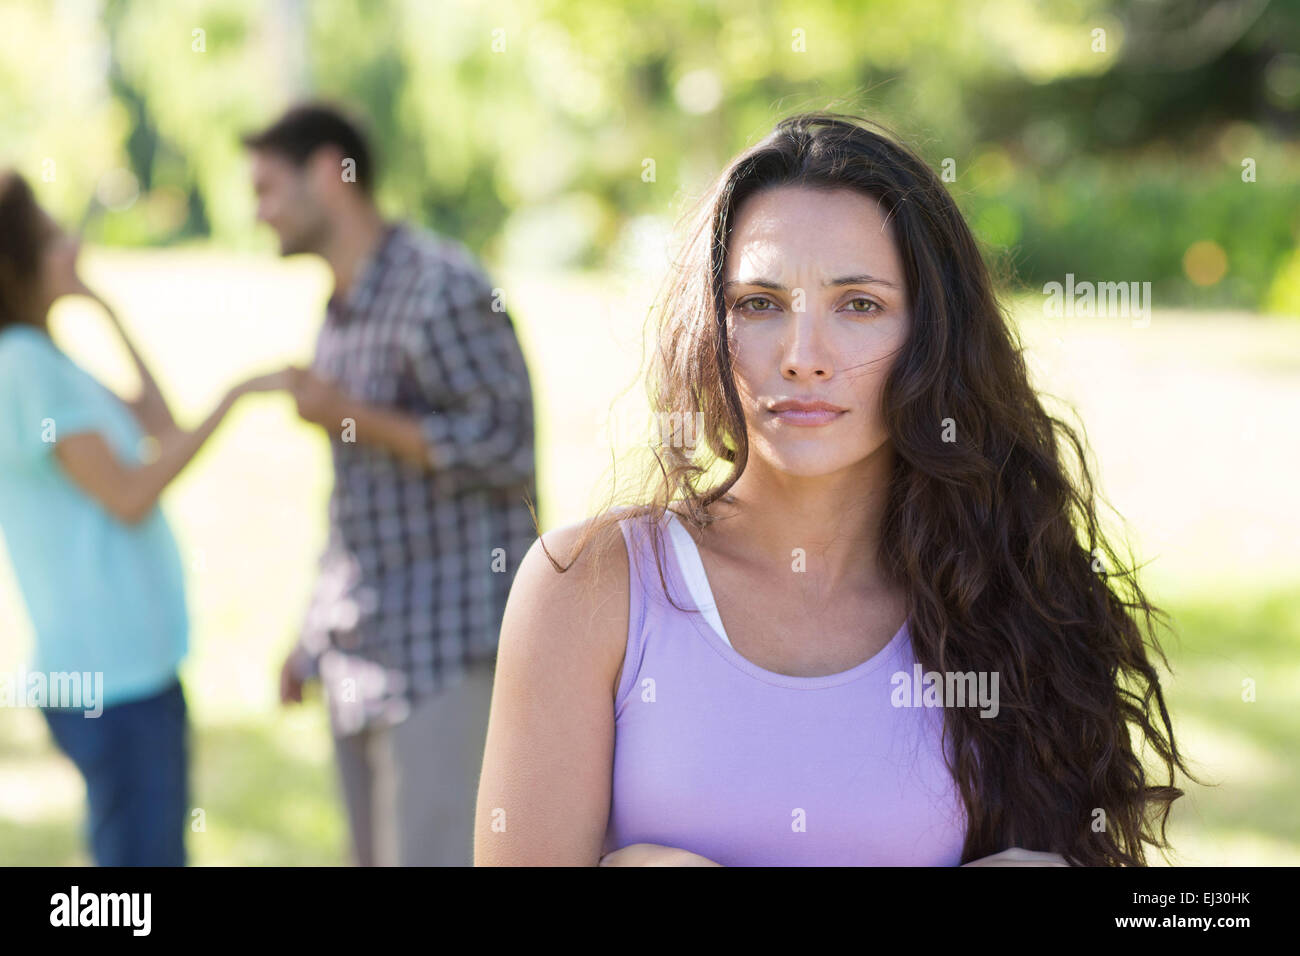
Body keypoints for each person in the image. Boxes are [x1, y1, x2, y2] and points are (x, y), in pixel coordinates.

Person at [474, 113, 1197, 867]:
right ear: (710, 329)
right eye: (760, 304)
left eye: (859, 305)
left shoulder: (1008, 595)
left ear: (931, 336)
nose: (803, 356)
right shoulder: (589, 589)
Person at [241, 103, 539, 867]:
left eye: (268, 189)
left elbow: (507, 447)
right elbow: (356, 502)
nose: (257, 211)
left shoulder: (443, 288)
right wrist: (310, 633)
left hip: (444, 654)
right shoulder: (340, 311)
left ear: (328, 175)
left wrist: (349, 414)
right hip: (360, 653)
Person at [0, 170, 286, 866]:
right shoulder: (24, 366)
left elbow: (160, 423)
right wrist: (238, 395)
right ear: (20, 263)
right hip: (109, 677)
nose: (74, 246)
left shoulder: (51, 357)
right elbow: (129, 494)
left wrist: (105, 309)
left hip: (133, 668)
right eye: (54, 236)